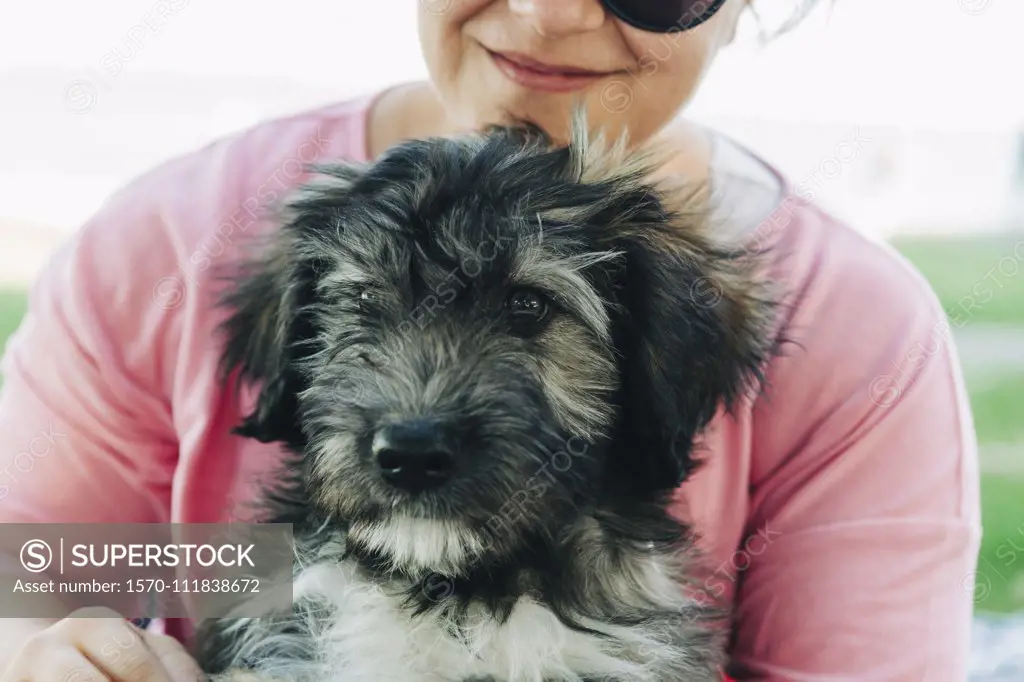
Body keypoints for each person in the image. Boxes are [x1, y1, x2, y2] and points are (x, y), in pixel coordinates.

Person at [0, 1, 981, 680]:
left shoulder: (855, 329)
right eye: (365, 310)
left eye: (526, 313)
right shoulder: (171, 241)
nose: (551, 11)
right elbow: (29, 570)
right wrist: (59, 636)